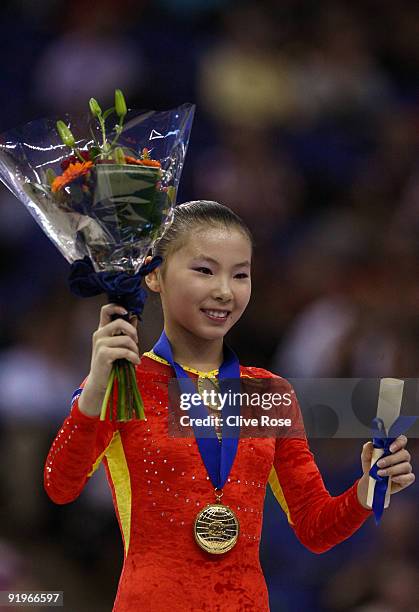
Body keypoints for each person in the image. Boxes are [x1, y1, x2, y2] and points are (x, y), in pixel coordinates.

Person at [44, 201, 415, 612]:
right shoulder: (126, 384)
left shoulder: (266, 392)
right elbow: (61, 486)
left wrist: (368, 488)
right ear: (154, 274)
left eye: (240, 274)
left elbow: (314, 528)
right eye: (205, 270)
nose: (225, 290)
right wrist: (96, 388)